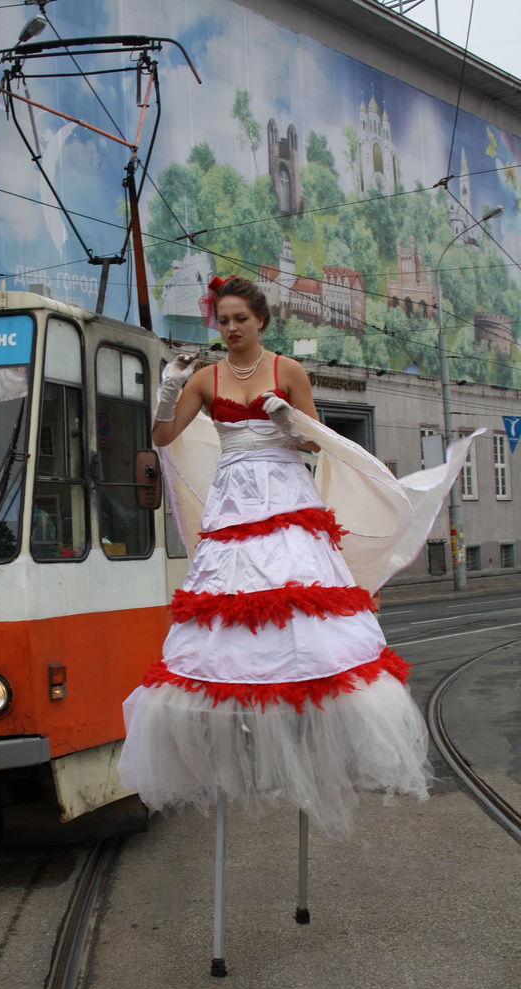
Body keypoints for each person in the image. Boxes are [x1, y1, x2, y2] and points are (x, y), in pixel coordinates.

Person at [117, 275, 434, 835]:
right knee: (230, 611)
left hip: (287, 495)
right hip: (235, 501)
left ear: (261, 320)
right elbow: (163, 439)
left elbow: (317, 441)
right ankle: (240, 722)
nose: (232, 328)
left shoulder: (289, 370)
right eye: (223, 319)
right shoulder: (208, 379)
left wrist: (291, 420)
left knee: (300, 603)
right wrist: (169, 388)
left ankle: (303, 719)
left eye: (241, 318)